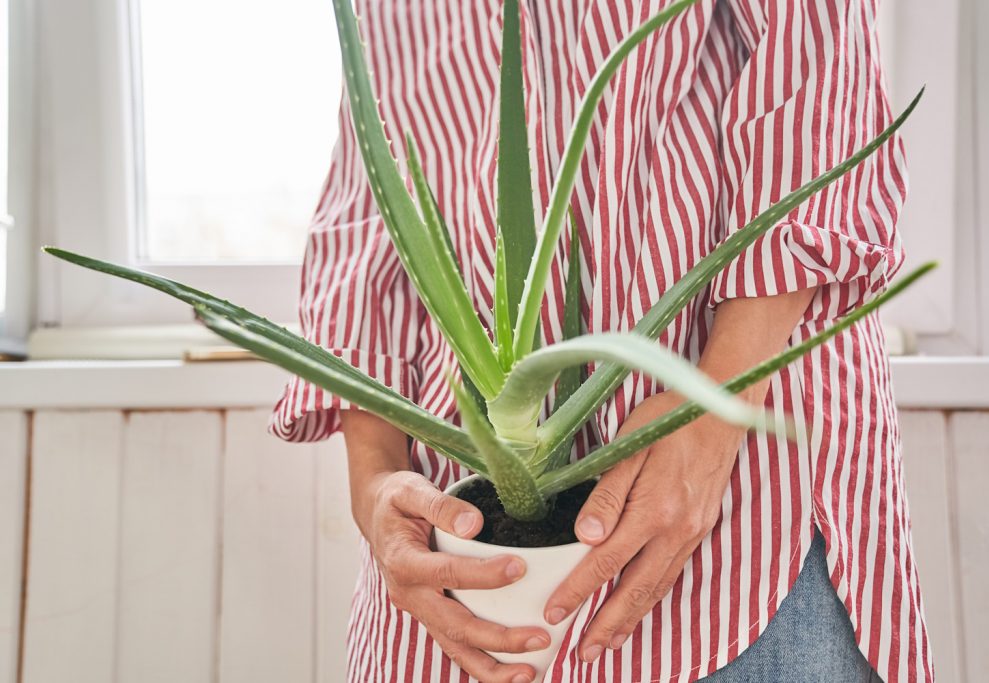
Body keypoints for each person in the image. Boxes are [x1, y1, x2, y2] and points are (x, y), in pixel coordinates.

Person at [272, 1, 932, 681]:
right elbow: (369, 200)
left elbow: (817, 76)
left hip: (742, 504)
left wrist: (713, 411)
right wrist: (376, 484)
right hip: (464, 572)